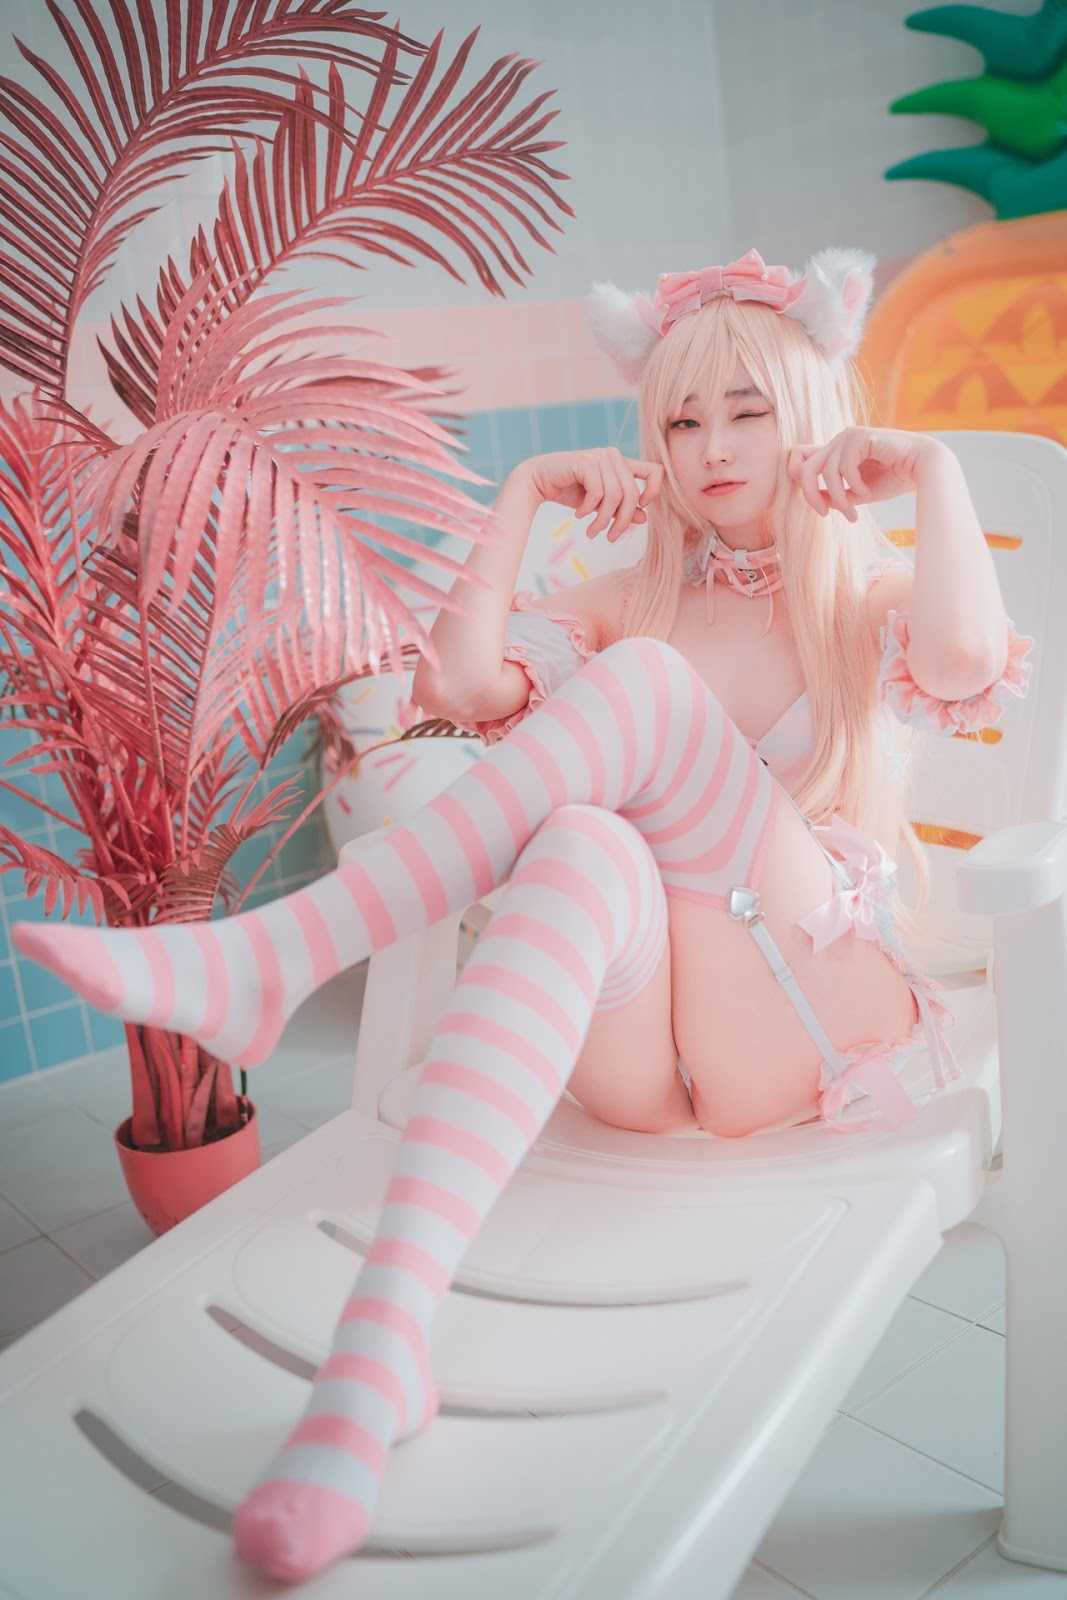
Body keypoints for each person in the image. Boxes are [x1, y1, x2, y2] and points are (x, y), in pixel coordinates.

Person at [11, 246, 1034, 1580]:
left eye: (747, 410)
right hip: (653, 1064)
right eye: (681, 418)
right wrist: (523, 494)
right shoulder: (633, 600)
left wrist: (936, 472)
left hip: (805, 1021)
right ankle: (376, 1358)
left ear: (814, 416)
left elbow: (964, 659)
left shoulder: (863, 593)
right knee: (581, 846)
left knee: (645, 690)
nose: (714, 446)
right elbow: (457, 686)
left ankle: (287, 948)